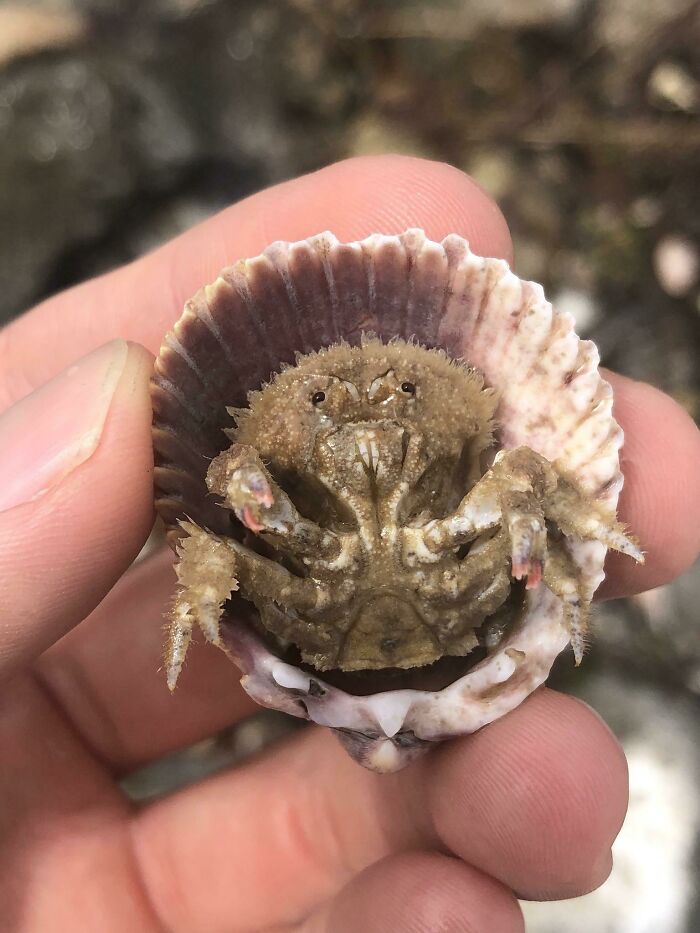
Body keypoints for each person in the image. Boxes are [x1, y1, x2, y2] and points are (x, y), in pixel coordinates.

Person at [0, 155, 698, 933]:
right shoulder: (252, 473)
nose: (364, 414)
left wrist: (575, 556)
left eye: (405, 395)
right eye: (323, 401)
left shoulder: (495, 470)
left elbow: (526, 472)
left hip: (462, 580)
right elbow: (221, 519)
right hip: (301, 596)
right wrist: (205, 612)